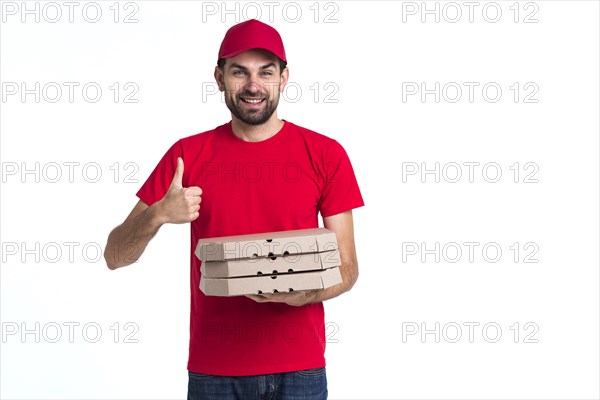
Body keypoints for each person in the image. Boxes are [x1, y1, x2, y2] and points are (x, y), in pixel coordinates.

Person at [104, 19, 364, 400]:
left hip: (300, 371)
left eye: (266, 73)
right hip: (214, 374)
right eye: (239, 72)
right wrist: (157, 213)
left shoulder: (325, 154)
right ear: (219, 77)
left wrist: (298, 295)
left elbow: (347, 267)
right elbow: (114, 255)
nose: (253, 86)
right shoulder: (186, 156)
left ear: (284, 77)